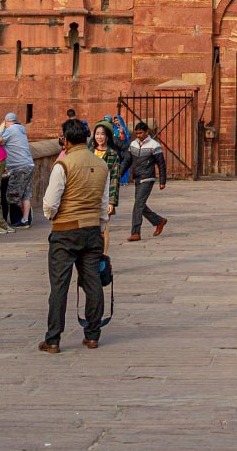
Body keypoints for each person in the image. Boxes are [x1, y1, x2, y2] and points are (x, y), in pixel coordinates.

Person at [39, 118, 113, 353]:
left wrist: (54, 217)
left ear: (66, 139)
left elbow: (50, 203)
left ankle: (53, 339)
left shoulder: (64, 165)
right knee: (92, 282)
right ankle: (92, 335)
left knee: (59, 286)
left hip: (65, 232)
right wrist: (100, 226)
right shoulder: (101, 165)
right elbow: (103, 204)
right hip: (92, 231)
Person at [119, 120, 169, 241]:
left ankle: (135, 232)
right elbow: (127, 161)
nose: (139, 135)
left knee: (138, 204)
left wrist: (162, 181)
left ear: (147, 132)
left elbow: (161, 164)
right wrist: (118, 174)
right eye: (137, 133)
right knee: (139, 204)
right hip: (137, 178)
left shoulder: (154, 145)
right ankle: (159, 221)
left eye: (141, 133)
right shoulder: (133, 145)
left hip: (148, 178)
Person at [0, 111, 35, 228]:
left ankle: (25, 215)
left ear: (6, 122)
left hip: (18, 166)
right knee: (26, 194)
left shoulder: (10, 130)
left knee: (12, 195)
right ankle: (25, 219)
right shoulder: (21, 129)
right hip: (29, 164)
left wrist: (2, 128)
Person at [90, 121, 126, 218]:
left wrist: (112, 202)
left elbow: (115, 179)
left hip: (104, 194)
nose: (99, 137)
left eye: (102, 134)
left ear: (108, 136)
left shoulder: (113, 155)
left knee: (103, 228)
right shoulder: (89, 152)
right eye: (97, 134)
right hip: (89, 195)